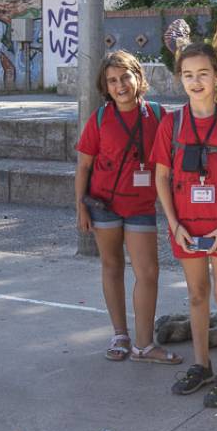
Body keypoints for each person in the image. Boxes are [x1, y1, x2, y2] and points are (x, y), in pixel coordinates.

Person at [152, 43, 217, 408]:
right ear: (180, 79)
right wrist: (174, 224)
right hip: (187, 227)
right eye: (188, 75)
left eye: (203, 74)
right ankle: (202, 365)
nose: (196, 81)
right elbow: (162, 177)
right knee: (196, 295)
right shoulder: (171, 123)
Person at [75, 50, 181, 365]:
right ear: (105, 87)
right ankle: (120, 334)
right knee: (112, 267)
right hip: (103, 204)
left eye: (125, 77)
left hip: (140, 206)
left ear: (138, 77)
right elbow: (83, 167)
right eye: (112, 81)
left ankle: (144, 345)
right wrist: (81, 206)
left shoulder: (159, 115)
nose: (120, 85)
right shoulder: (99, 118)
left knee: (148, 272)